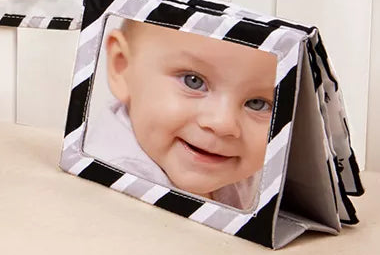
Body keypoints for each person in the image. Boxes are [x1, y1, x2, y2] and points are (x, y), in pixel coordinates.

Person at [88, 18, 277, 210]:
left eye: (258, 104)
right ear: (122, 66)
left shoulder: (250, 171)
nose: (222, 123)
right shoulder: (113, 179)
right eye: (193, 81)